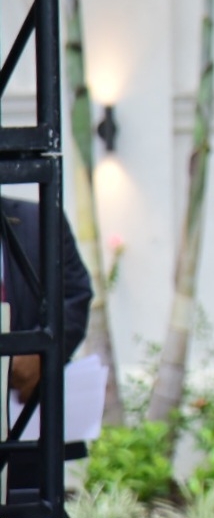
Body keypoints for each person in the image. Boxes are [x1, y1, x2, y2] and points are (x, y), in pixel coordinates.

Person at [0, 194, 94, 498]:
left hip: (25, 417)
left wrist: (41, 354)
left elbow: (75, 294)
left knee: (27, 501)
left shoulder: (38, 218)